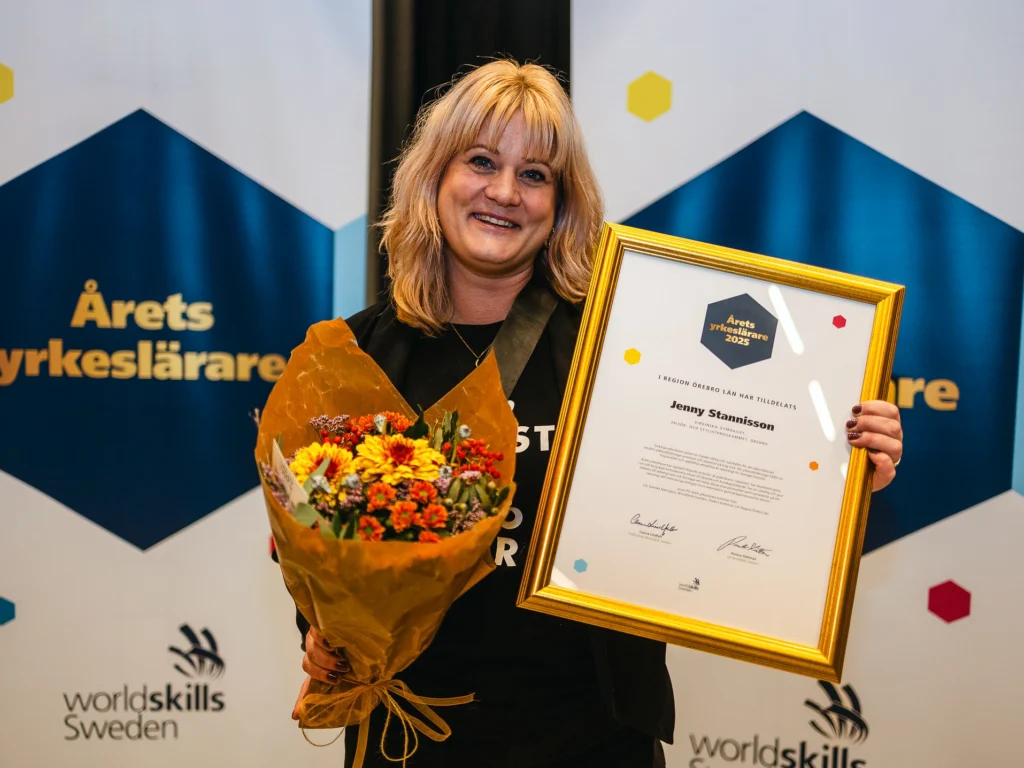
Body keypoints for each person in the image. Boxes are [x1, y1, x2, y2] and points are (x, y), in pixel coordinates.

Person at [281, 59, 905, 767]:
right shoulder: (359, 353)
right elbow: (318, 539)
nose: (504, 192)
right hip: (413, 733)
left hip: (592, 737)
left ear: (561, 202)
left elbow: (728, 495)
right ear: (435, 177)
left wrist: (844, 475)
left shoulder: (627, 342)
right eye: (481, 161)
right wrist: (321, 629)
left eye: (536, 174)